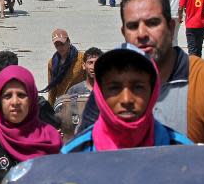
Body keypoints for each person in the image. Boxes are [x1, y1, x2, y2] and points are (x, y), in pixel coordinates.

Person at [78, 0, 204, 173]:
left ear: (171, 27)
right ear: (124, 33)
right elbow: (82, 149)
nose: (142, 34)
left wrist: (182, 166)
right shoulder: (109, 84)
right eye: (132, 26)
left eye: (153, 23)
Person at [63, 44, 193, 153]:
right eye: (114, 88)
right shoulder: (74, 155)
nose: (126, 99)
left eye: (138, 87)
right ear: (100, 94)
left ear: (153, 91)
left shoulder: (183, 152)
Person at [44, 28, 86, 106]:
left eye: (62, 44)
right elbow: (52, 89)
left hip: (80, 103)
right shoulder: (52, 63)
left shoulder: (81, 58)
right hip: (62, 105)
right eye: (57, 45)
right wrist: (50, 109)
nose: (60, 48)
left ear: (68, 41)